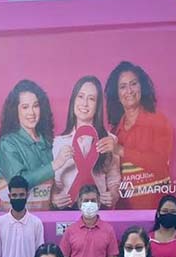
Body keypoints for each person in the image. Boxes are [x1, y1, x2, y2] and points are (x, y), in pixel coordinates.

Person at [105, 61, 173, 209]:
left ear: (142, 87)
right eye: (122, 87)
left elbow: (160, 164)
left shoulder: (158, 120)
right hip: (125, 215)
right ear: (117, 95)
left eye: (133, 84)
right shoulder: (115, 132)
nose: (129, 90)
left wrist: (121, 151)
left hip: (157, 213)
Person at [0, 79, 70, 210]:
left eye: (35, 106)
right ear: (15, 110)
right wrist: (55, 164)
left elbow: (50, 186)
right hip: (15, 219)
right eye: (25, 107)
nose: (32, 113)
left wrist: (54, 198)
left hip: (45, 220)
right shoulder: (7, 143)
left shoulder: (47, 142)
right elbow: (18, 182)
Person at [51, 76, 122, 209]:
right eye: (80, 96)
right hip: (66, 210)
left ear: (98, 106)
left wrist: (113, 194)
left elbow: (113, 179)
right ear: (73, 100)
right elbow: (54, 183)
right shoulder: (57, 143)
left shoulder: (109, 140)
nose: (84, 103)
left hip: (97, 210)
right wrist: (54, 198)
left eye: (91, 99)